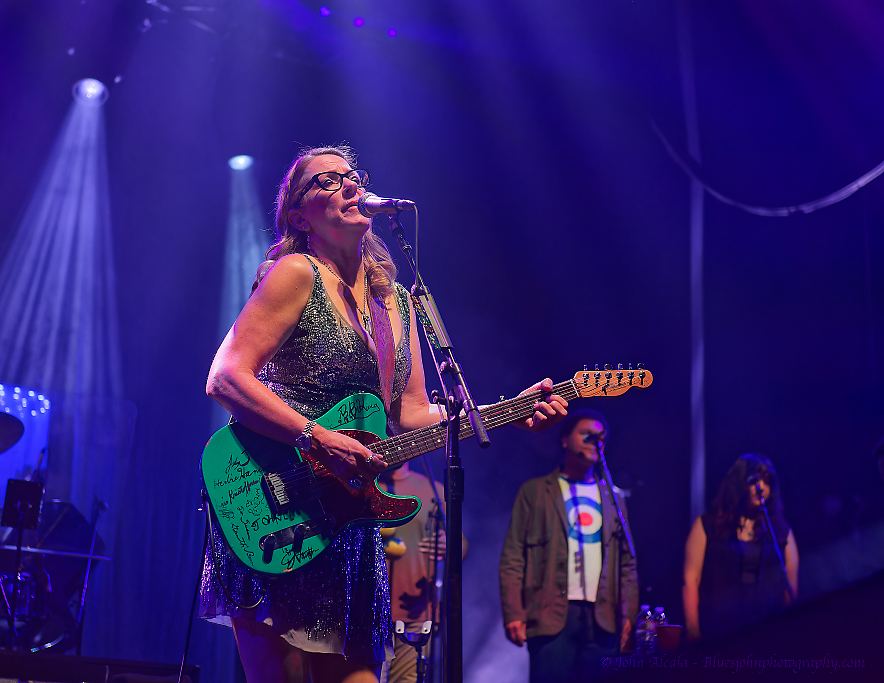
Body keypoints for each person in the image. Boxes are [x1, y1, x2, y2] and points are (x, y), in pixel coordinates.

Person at [203, 145, 568, 683]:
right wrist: (318, 438)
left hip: (350, 518)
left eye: (352, 175)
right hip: (274, 502)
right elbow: (226, 377)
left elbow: (413, 413)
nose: (350, 183)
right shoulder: (295, 273)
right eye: (327, 180)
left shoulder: (394, 300)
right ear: (299, 217)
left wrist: (506, 412)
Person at [499, 409, 638, 683]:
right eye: (586, 434)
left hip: (602, 618)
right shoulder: (535, 491)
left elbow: (627, 563)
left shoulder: (613, 498)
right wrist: (514, 612)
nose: (595, 441)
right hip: (550, 615)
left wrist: (629, 615)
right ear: (565, 440)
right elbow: (513, 556)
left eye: (601, 437)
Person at [682, 453, 798, 641]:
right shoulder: (708, 525)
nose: (760, 487)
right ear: (738, 483)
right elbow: (690, 580)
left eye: (766, 481)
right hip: (718, 634)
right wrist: (693, 633)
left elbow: (790, 584)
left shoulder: (780, 531)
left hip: (767, 636)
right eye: (754, 480)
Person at [379, 460, 467, 683]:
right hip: (368, 613)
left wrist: (448, 544)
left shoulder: (433, 490)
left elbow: (462, 545)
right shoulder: (365, 487)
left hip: (416, 615)